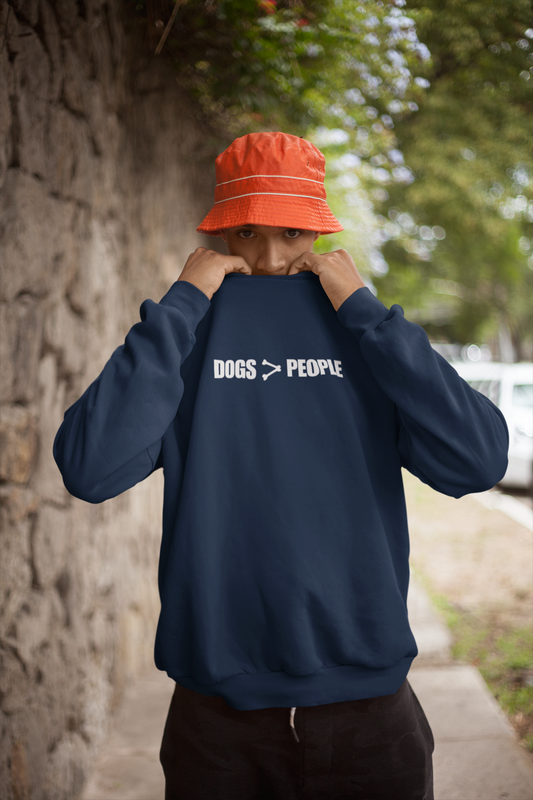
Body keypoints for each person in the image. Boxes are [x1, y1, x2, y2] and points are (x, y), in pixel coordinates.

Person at [53, 131, 509, 800]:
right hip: (218, 723)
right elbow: (90, 468)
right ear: (219, 233)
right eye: (247, 232)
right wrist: (181, 304)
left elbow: (477, 459)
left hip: (368, 714)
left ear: (320, 230)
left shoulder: (369, 337)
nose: (269, 258)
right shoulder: (186, 336)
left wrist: (368, 314)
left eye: (292, 232)